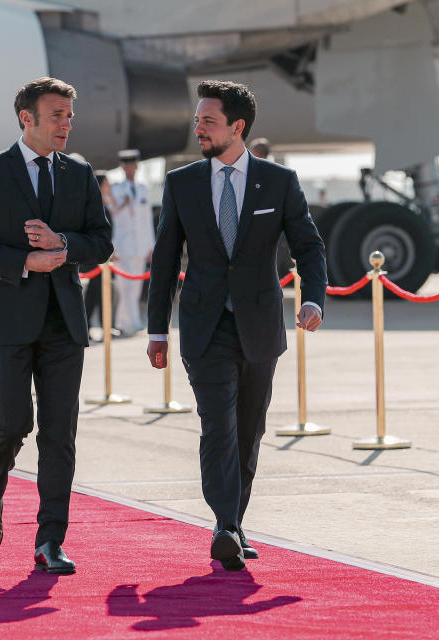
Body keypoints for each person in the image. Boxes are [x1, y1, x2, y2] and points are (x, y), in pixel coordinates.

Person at [146, 80, 327, 571]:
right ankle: (224, 524)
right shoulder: (182, 182)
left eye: (208, 120)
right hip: (204, 327)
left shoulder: (279, 182)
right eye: (197, 119)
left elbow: (308, 246)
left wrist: (313, 298)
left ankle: (234, 522)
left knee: (249, 430)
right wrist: (156, 329)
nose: (197, 127)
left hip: (260, 325)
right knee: (218, 426)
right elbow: (165, 260)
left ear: (237, 127)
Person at [0, 77, 113, 575]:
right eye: (56, 115)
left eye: (69, 115)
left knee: (60, 432)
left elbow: (101, 242)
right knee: (12, 422)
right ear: (27, 118)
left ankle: (49, 541)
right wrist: (26, 261)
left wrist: (63, 245)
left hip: (64, 323)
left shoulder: (80, 172)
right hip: (5, 322)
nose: (66, 124)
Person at [110, 149, 155, 337]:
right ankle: (129, 323)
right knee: (124, 286)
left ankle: (127, 322)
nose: (130, 169)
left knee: (135, 287)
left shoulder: (144, 190)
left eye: (132, 165)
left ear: (137, 167)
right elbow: (112, 214)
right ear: (122, 167)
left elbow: (147, 221)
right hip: (122, 245)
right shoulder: (115, 190)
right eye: (126, 165)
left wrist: (151, 246)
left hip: (140, 245)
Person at [81, 171, 119, 340]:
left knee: (103, 293)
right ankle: (87, 326)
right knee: (93, 294)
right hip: (95, 260)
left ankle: (105, 327)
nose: (109, 187)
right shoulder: (93, 207)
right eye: (106, 184)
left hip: (103, 258)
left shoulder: (104, 206)